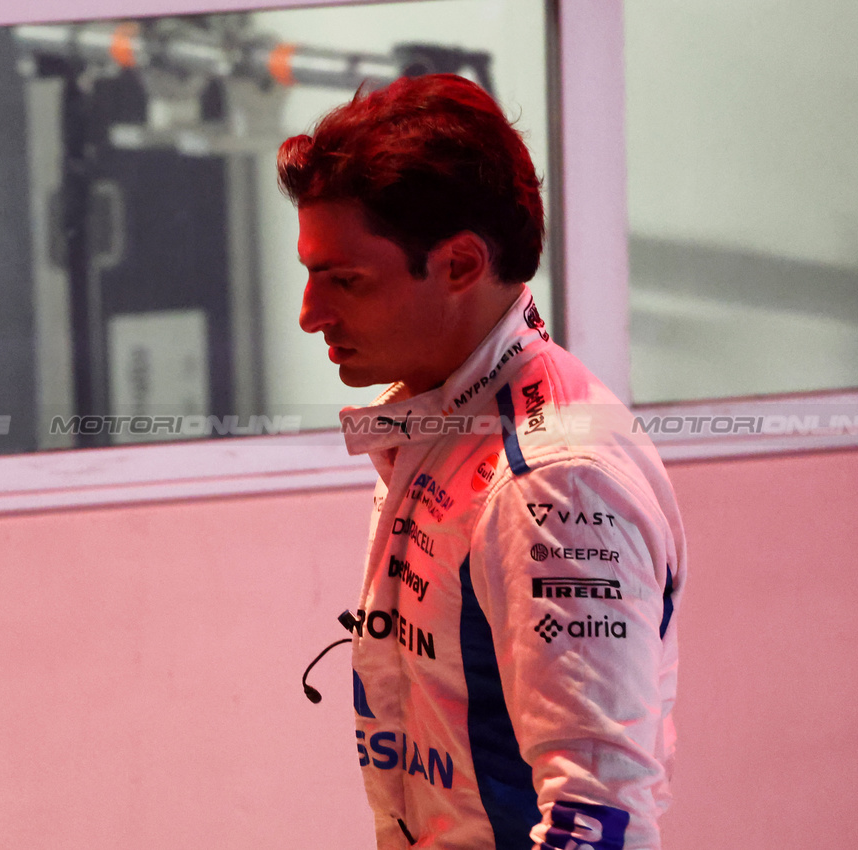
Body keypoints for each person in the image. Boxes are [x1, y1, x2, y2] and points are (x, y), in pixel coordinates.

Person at [278, 74, 687, 850]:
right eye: (308, 273)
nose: (310, 315)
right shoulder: (444, 411)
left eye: (344, 281)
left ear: (462, 264)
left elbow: (601, 820)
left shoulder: (557, 480)